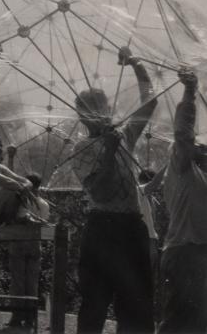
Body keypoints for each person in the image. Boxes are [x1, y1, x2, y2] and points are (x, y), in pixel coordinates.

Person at [72, 46, 157, 333]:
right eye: (90, 109)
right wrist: (108, 152)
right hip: (103, 227)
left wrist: (136, 63)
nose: (98, 112)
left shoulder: (125, 137)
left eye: (102, 106)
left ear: (108, 109)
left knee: (138, 303)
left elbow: (150, 102)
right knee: (95, 303)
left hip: (132, 225)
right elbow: (101, 192)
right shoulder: (81, 148)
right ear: (82, 116)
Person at [158, 67, 207, 334]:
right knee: (179, 322)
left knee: (197, 324)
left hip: (197, 253)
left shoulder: (199, 177)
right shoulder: (182, 169)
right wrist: (190, 92)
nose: (202, 147)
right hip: (185, 252)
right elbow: (183, 134)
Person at [6, 146, 50, 329]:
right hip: (35, 245)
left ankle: (17, 317)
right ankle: (30, 317)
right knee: (32, 281)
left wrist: (10, 158)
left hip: (19, 242)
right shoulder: (44, 204)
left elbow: (9, 182)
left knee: (18, 280)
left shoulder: (23, 200)